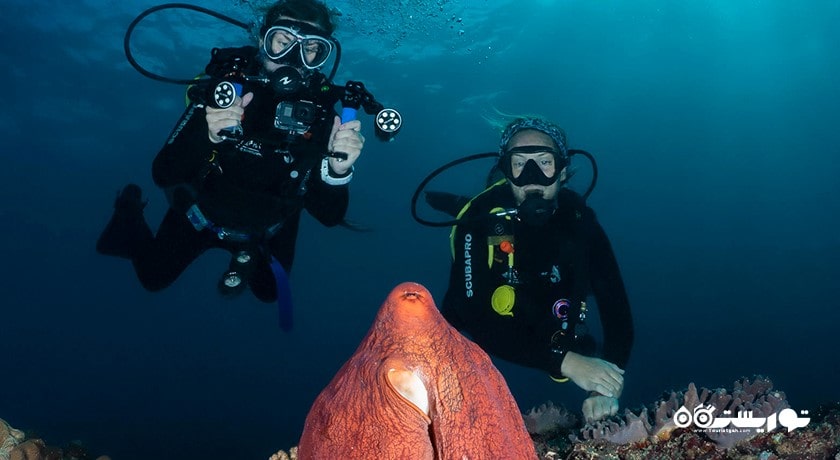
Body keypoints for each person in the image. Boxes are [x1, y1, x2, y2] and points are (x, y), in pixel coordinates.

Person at [96, 0, 365, 303]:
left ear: (322, 55)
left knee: (270, 293)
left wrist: (338, 171)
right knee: (153, 278)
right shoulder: (228, 87)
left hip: (267, 229)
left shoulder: (322, 113)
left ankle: (246, 259)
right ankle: (128, 212)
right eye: (283, 42)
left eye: (311, 48)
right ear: (263, 40)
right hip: (200, 214)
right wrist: (207, 133)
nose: (293, 59)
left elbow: (329, 216)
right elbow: (163, 173)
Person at [440, 117, 633, 423]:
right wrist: (566, 363)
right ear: (506, 171)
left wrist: (603, 387)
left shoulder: (581, 221)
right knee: (446, 324)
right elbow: (473, 315)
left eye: (544, 162)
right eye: (520, 164)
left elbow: (618, 313)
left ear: (563, 171)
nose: (532, 177)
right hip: (491, 313)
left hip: (549, 312)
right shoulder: (477, 219)